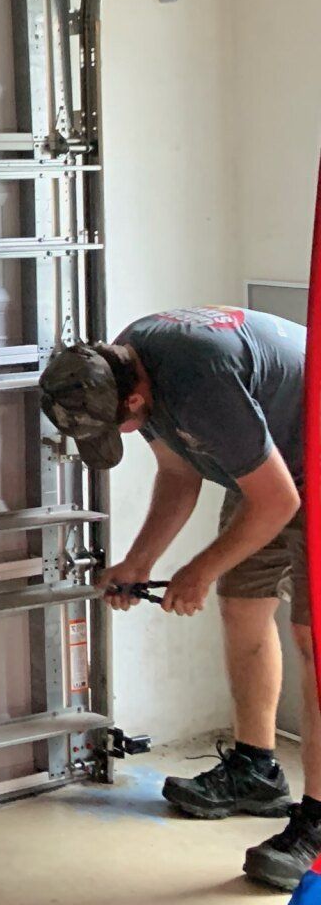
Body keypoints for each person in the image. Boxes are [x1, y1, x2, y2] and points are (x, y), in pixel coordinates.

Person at [41, 306, 313, 887]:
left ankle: (319, 825)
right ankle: (256, 770)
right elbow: (179, 472)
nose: (121, 435)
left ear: (133, 400)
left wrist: (198, 570)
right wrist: (140, 562)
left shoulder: (199, 380)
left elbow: (278, 502)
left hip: (303, 468)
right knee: (242, 605)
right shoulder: (118, 362)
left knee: (312, 640)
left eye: (118, 426)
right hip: (273, 472)